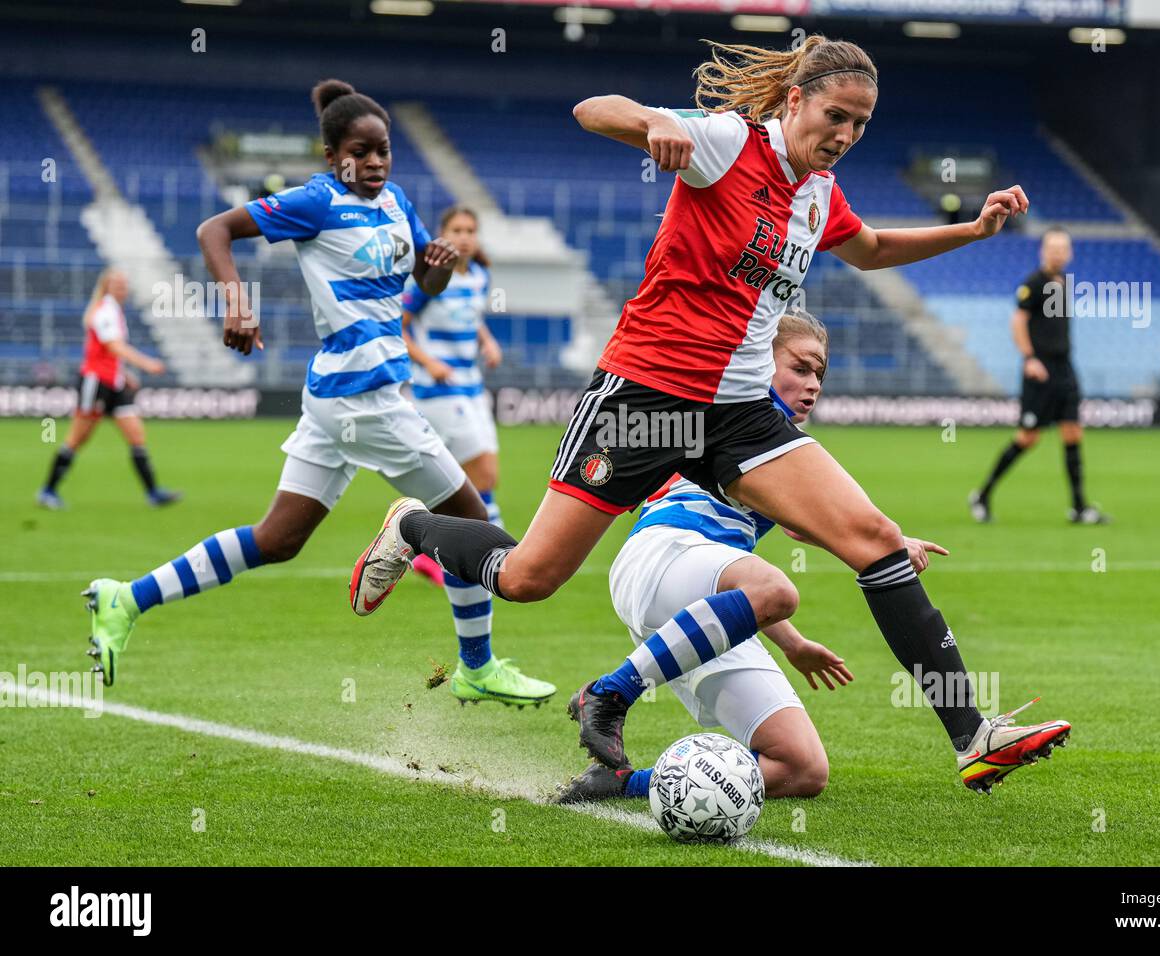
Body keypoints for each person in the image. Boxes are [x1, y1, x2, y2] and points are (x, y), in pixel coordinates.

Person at [352, 38, 1070, 794]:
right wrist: (653, 125)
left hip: (736, 412)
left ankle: (973, 733)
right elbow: (593, 110)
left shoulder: (819, 192)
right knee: (531, 577)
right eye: (836, 116)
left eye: (861, 124)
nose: (846, 136)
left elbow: (870, 247)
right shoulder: (727, 142)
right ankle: (411, 525)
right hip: (645, 396)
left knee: (876, 540)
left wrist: (972, 231)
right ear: (794, 101)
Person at [80, 79, 554, 709]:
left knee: (278, 539)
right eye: (364, 150)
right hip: (367, 397)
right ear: (334, 156)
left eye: (385, 149)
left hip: (341, 398)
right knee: (475, 522)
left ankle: (126, 598)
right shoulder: (316, 201)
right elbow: (214, 230)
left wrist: (437, 263)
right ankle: (468, 649)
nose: (378, 161)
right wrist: (237, 300)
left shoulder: (396, 203)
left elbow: (425, 285)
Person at [554, 308, 953, 803]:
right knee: (774, 588)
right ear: (759, 359)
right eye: (800, 368)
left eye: (820, 375)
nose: (813, 385)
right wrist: (890, 548)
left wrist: (792, 644)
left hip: (697, 599)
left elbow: (798, 536)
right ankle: (609, 692)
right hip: (660, 558)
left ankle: (618, 784)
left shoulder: (780, 444)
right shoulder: (722, 414)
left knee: (801, 769)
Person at [970, 227, 1109, 525]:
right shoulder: (1033, 283)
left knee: (1073, 433)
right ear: (1043, 251)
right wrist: (1029, 358)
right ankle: (982, 495)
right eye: (1052, 248)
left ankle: (1079, 507)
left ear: (1069, 253)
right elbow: (1018, 320)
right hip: (1040, 371)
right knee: (1028, 438)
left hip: (1065, 369)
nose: (1058, 253)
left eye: (1063, 248)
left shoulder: (1065, 284)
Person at [400, 205, 504, 592]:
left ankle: (428, 549)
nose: (464, 236)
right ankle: (487, 547)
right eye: (456, 229)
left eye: (470, 229)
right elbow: (400, 327)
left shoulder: (478, 276)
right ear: (442, 236)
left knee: (466, 478)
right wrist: (430, 362)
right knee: (482, 473)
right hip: (438, 390)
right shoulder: (428, 281)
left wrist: (488, 341)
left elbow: (472, 317)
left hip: (472, 386)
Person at [37, 268, 180, 509]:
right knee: (77, 439)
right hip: (96, 383)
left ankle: (153, 493)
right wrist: (146, 364)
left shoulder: (113, 311)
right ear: (107, 286)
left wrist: (124, 373)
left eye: (124, 285)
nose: (122, 289)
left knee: (136, 435)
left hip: (114, 383)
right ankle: (48, 490)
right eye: (118, 285)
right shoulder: (105, 310)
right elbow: (113, 347)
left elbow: (106, 351)